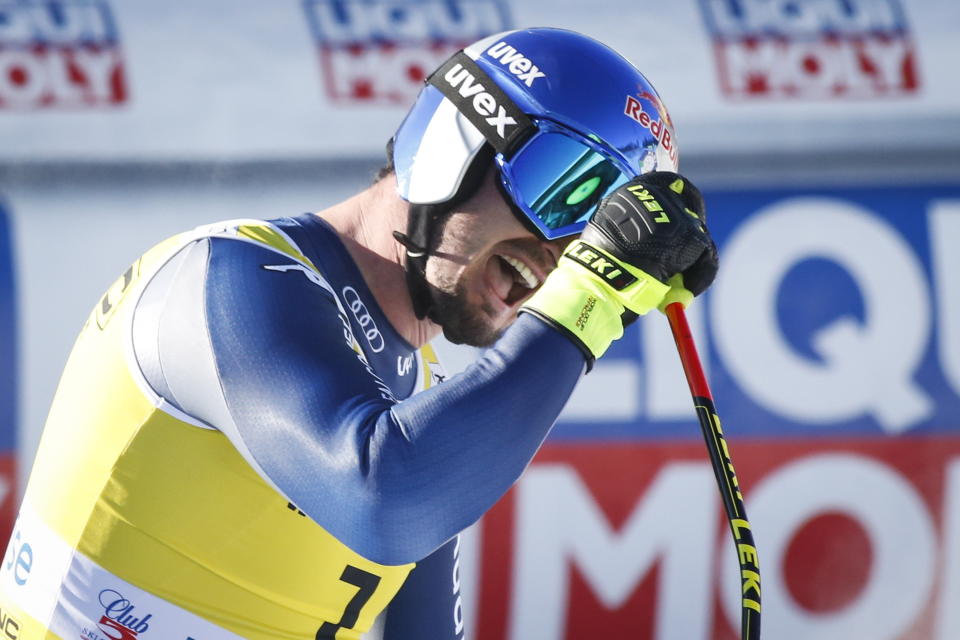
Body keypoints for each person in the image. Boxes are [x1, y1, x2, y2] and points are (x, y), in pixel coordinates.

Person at [0, 27, 717, 640]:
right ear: (455, 143)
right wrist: (586, 303)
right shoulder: (224, 278)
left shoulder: (419, 407)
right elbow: (382, 502)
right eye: (560, 190)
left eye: (594, 230)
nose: (561, 253)